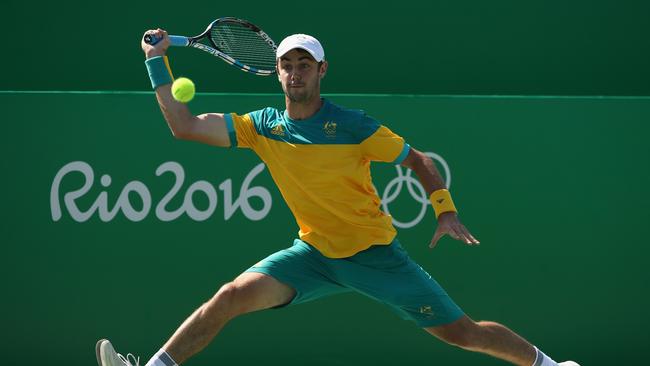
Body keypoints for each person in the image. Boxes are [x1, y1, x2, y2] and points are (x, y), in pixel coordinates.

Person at [95, 30, 579, 366]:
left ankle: (549, 363)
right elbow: (184, 126)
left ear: (321, 70)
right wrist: (155, 60)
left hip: (375, 256)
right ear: (277, 73)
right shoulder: (264, 126)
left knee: (464, 334)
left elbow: (418, 161)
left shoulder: (354, 125)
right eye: (286, 65)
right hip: (312, 254)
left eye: (304, 64)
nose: (294, 72)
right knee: (229, 298)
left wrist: (444, 211)